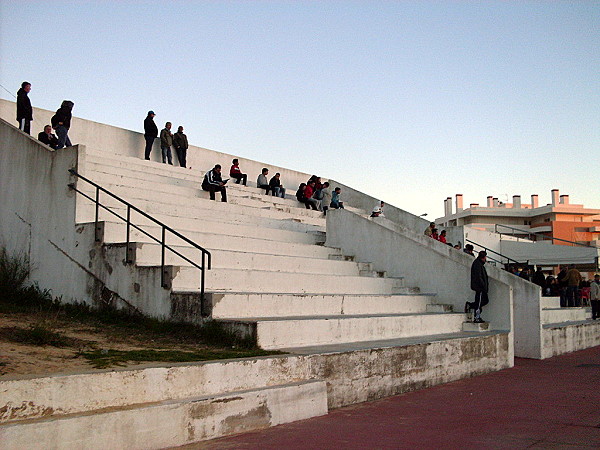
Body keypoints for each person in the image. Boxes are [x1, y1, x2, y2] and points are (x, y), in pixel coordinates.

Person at [465, 251, 489, 323]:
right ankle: (477, 317)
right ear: (484, 257)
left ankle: (470, 305)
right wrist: (483, 285)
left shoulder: (478, 264)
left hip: (480, 287)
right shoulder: (478, 264)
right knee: (479, 303)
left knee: (484, 301)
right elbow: (479, 277)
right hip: (480, 287)